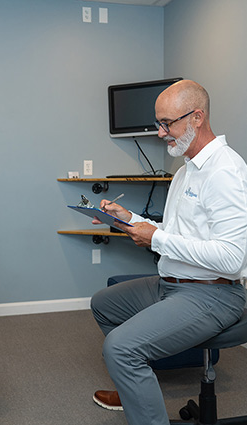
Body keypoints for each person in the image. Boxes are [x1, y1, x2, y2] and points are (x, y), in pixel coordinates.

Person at [90, 79, 247, 425]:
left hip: (214, 294)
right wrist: (130, 219)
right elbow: (177, 233)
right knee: (104, 304)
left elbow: (232, 258)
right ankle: (137, 388)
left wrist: (156, 240)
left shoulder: (225, 173)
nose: (160, 133)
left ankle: (131, 372)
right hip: (171, 284)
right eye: (158, 123)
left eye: (166, 123)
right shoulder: (185, 170)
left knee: (120, 348)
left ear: (196, 118)